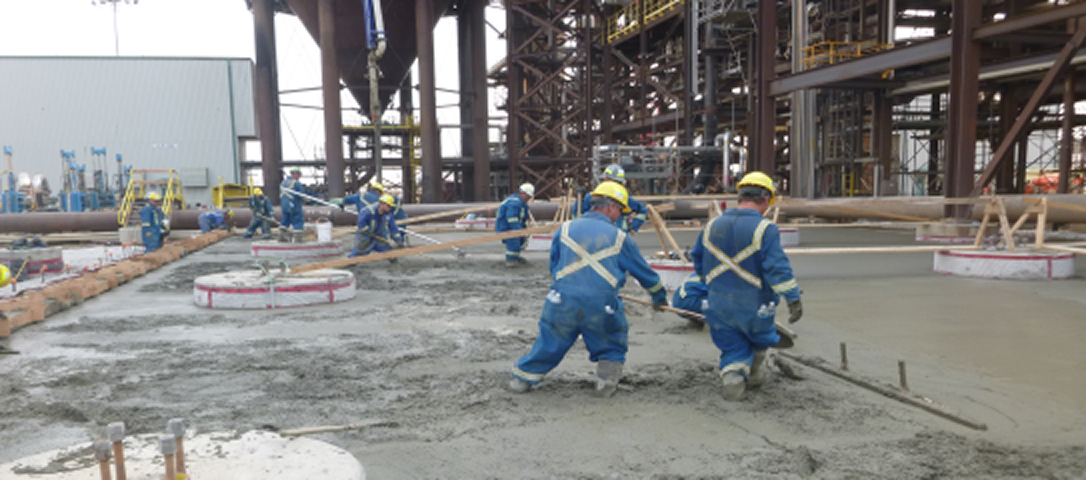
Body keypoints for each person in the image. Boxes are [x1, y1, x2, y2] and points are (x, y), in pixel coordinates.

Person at [508, 182, 668, 397]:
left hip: (561, 300)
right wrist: (659, 298)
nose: (619, 216)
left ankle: (522, 380)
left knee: (550, 341)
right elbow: (646, 275)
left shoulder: (564, 229)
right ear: (611, 207)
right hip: (601, 305)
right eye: (620, 211)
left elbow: (554, 266)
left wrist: (570, 287)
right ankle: (605, 385)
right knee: (611, 342)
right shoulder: (620, 237)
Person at [689, 171, 803, 401]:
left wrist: (711, 284)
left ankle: (733, 376)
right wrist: (793, 298)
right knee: (760, 339)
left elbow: (697, 258)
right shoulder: (765, 229)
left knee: (732, 346)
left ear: (739, 197)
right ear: (767, 199)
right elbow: (777, 268)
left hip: (719, 303)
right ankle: (755, 373)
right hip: (756, 303)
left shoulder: (712, 226)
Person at [579, 164, 648, 233]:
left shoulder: (592, 196)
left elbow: (579, 214)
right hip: (618, 234)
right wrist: (631, 226)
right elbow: (642, 211)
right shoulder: (623, 198)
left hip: (597, 235)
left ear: (605, 179)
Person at [349, 193, 405, 258]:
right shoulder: (369, 211)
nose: (390, 208)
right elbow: (361, 223)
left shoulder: (388, 215)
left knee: (389, 252)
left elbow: (393, 228)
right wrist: (368, 231)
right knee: (358, 253)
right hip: (365, 236)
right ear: (382, 204)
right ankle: (349, 262)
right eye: (389, 206)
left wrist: (398, 240)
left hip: (378, 236)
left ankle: (394, 261)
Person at [496, 183, 534, 265]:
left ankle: (516, 257)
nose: (529, 198)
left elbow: (522, 218)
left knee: (520, 241)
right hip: (507, 227)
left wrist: (523, 229)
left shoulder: (521, 203)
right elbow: (511, 218)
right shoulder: (514, 203)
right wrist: (518, 230)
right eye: (528, 196)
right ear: (523, 193)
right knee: (513, 242)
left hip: (514, 227)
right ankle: (511, 261)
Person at [279, 168, 307, 242]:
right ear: (297, 174)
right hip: (294, 205)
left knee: (285, 220)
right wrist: (305, 200)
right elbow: (302, 195)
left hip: (284, 205)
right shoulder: (296, 183)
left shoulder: (283, 183)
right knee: (298, 220)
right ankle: (298, 238)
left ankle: (281, 236)